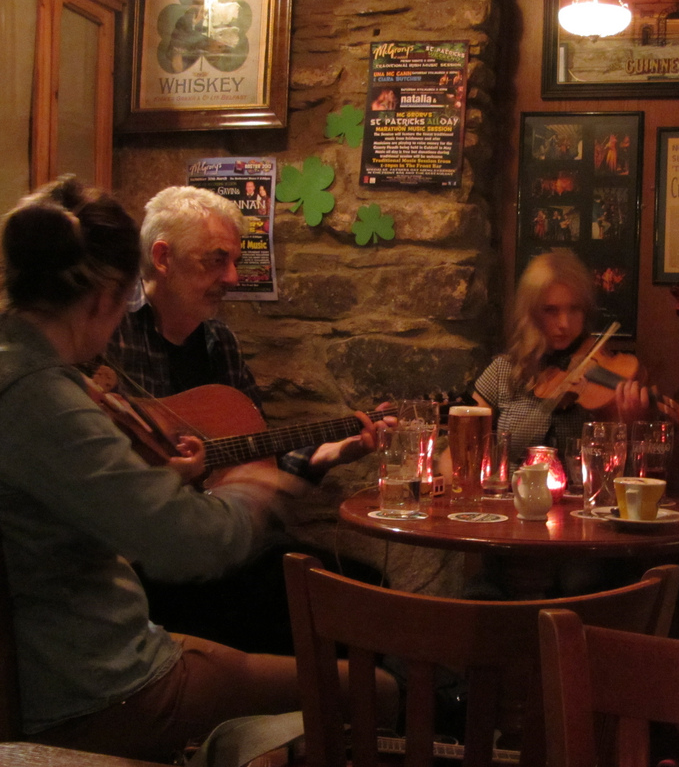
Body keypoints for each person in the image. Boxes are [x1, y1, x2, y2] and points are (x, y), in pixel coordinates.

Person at [0, 177, 397, 762]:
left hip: (95, 645)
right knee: (378, 691)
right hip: (101, 682)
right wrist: (252, 492)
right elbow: (189, 543)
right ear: (105, 295)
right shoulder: (44, 399)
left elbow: (89, 498)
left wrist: (189, 478)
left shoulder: (24, 372)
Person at [97, 185, 385, 655]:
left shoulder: (218, 343)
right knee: (327, 608)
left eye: (234, 261)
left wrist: (329, 454)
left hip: (218, 545)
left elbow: (252, 457)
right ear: (163, 257)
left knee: (365, 587)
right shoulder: (107, 334)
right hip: (147, 562)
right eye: (215, 260)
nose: (232, 277)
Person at [448, 249, 679, 597]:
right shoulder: (504, 372)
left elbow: (636, 479)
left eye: (574, 309)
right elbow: (462, 446)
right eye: (551, 310)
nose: (564, 323)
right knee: (483, 597)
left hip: (587, 541)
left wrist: (632, 423)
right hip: (513, 535)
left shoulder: (606, 371)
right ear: (531, 313)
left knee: (580, 584)